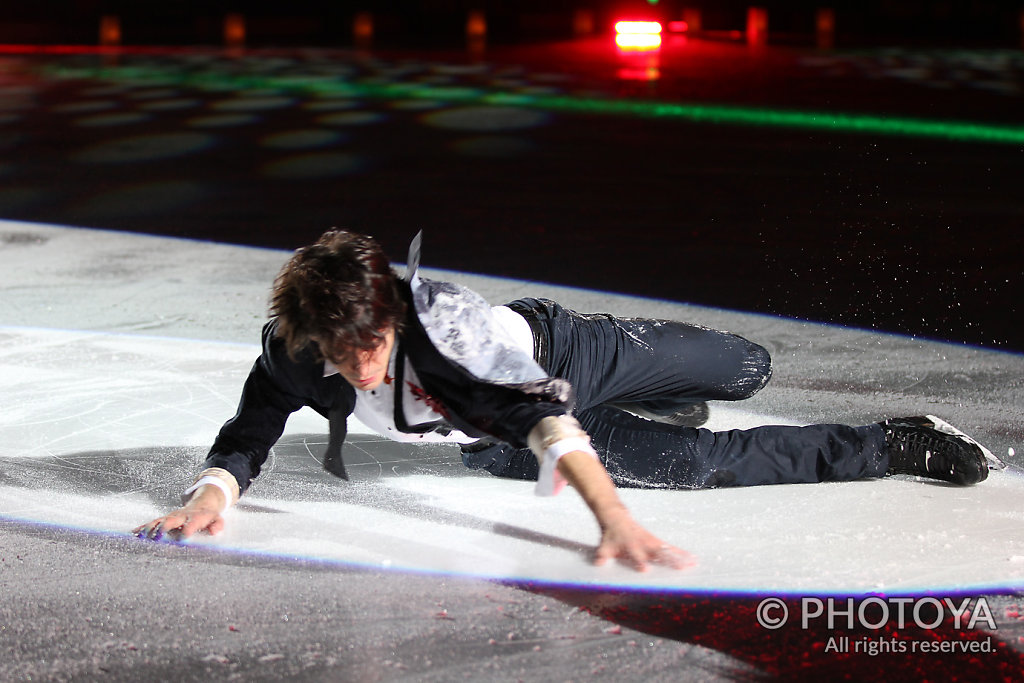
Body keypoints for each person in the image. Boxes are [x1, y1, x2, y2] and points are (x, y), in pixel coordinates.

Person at [134, 230, 991, 571]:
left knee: (747, 367)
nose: (357, 373)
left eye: (370, 349)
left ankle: (669, 393)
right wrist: (210, 493)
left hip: (562, 352)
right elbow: (250, 428)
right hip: (492, 433)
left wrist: (606, 513)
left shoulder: (453, 336)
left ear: (392, 317)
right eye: (336, 354)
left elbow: (549, 415)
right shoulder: (297, 349)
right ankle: (894, 443)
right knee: (697, 465)